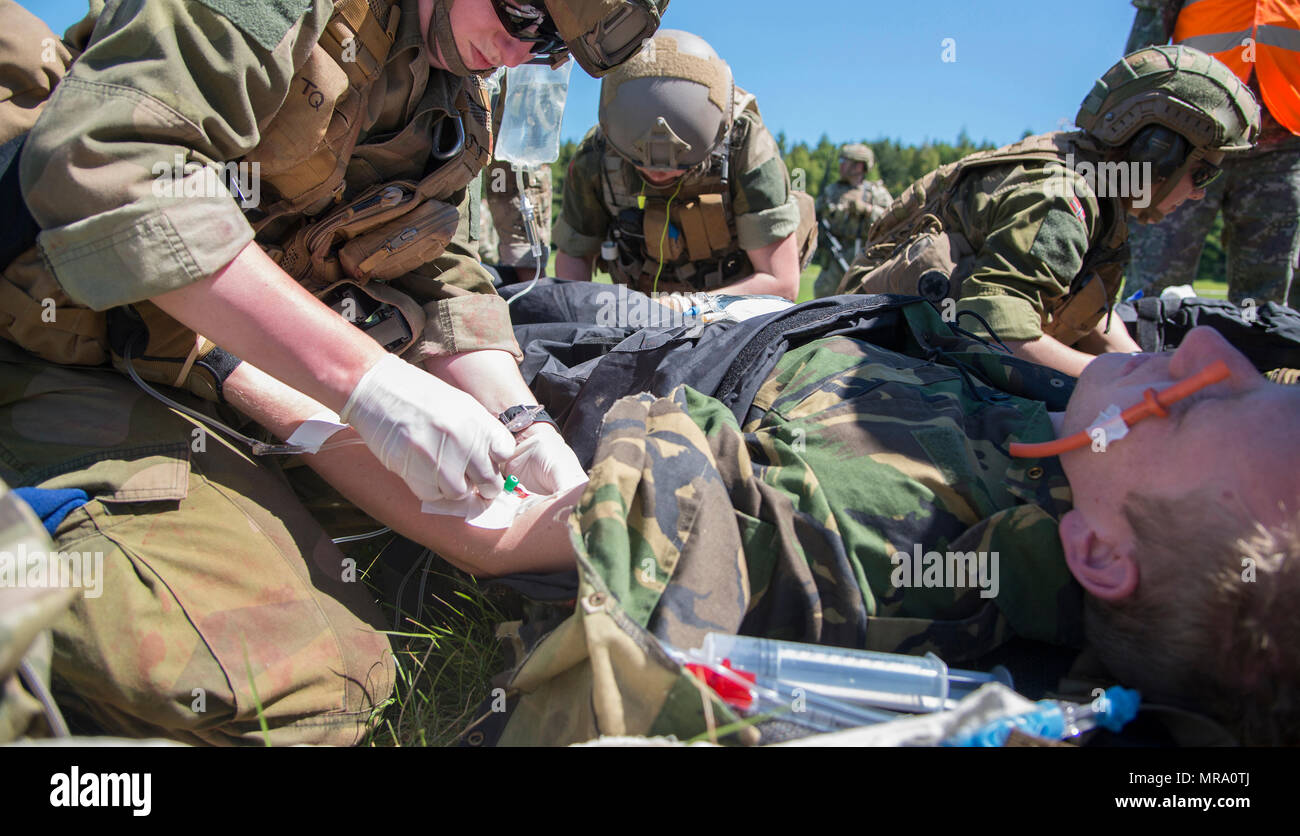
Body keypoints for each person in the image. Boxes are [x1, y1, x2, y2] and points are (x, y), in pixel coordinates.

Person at [0, 0, 681, 744]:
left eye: (553, 46)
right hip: (62, 342)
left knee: (416, 572)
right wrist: (358, 384)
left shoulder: (459, 83)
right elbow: (112, 164)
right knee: (306, 688)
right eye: (520, 5)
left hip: (218, 370)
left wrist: (520, 420)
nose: (520, 52)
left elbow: (440, 265)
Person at [247, 283, 1299, 746]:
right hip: (745, 323)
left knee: (405, 301)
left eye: (1186, 404)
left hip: (613, 364)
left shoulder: (874, 535)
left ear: (1097, 553)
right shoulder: (1092, 460)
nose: (1211, 355)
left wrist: (236, 366)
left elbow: (488, 519)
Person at [837, 46, 1261, 377]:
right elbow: (1000, 330)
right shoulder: (1062, 195)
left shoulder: (1096, 186)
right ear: (1158, 152)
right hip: (873, 364)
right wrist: (1129, 384)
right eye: (1202, 174)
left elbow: (1081, 312)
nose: (1199, 195)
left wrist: (1154, 370)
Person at [1124, 0, 1300, 307]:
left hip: (1284, 149)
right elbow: (1144, 46)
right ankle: (1145, 370)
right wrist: (1131, 128)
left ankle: (1251, 374)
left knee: (1267, 304)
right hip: (1184, 143)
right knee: (1155, 290)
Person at [553, 29, 817, 301]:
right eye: (639, 160)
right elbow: (574, 258)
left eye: (680, 163)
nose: (658, 171)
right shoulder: (596, 154)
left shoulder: (747, 146)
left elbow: (780, 283)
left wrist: (683, 311)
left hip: (732, 318)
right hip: (636, 316)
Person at [813, 143, 894, 298]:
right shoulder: (831, 191)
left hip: (865, 261)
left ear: (858, 166)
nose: (841, 165)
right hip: (833, 259)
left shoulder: (877, 193)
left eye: (845, 161)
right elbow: (815, 217)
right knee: (822, 302)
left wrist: (866, 210)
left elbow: (892, 221)